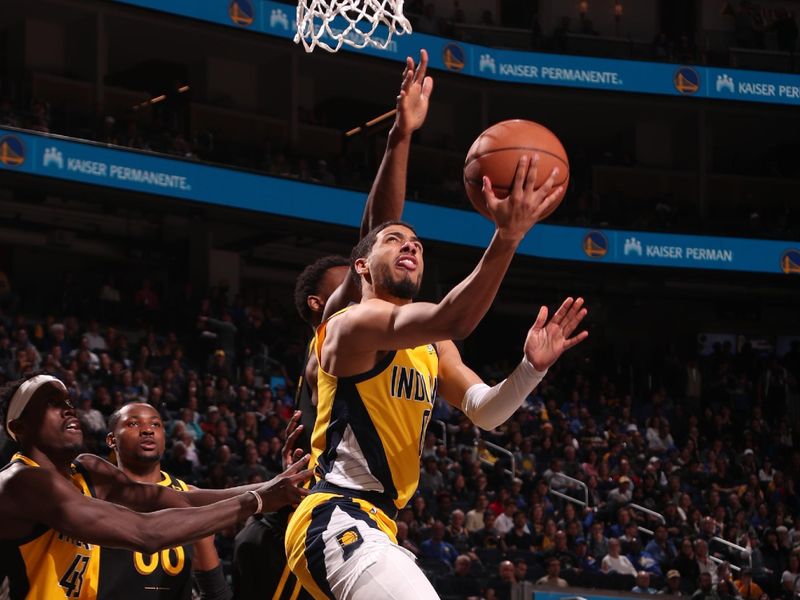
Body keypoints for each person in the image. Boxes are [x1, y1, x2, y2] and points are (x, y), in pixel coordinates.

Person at [285, 149, 580, 600]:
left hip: (379, 522)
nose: (411, 245)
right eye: (394, 240)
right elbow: (454, 317)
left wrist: (531, 370)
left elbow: (485, 412)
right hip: (335, 514)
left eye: (417, 243)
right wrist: (506, 237)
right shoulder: (349, 324)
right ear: (361, 266)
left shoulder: (432, 345)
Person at [232, 49, 434, 600]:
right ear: (325, 305)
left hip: (347, 520)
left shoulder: (368, 347)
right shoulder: (341, 326)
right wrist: (399, 138)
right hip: (300, 527)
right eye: (354, 281)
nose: (368, 285)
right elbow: (376, 229)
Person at [0, 373, 310, 599]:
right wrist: (255, 501)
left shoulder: (86, 469)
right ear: (19, 427)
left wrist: (278, 484)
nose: (69, 408)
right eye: (52, 404)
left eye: (68, 401)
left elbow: (183, 500)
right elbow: (144, 533)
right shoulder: (20, 481)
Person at [100, 402, 231, 599]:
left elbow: (215, 591)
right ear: (111, 440)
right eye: (134, 424)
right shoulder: (94, 492)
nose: (147, 431)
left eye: (156, 425)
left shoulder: (189, 497)